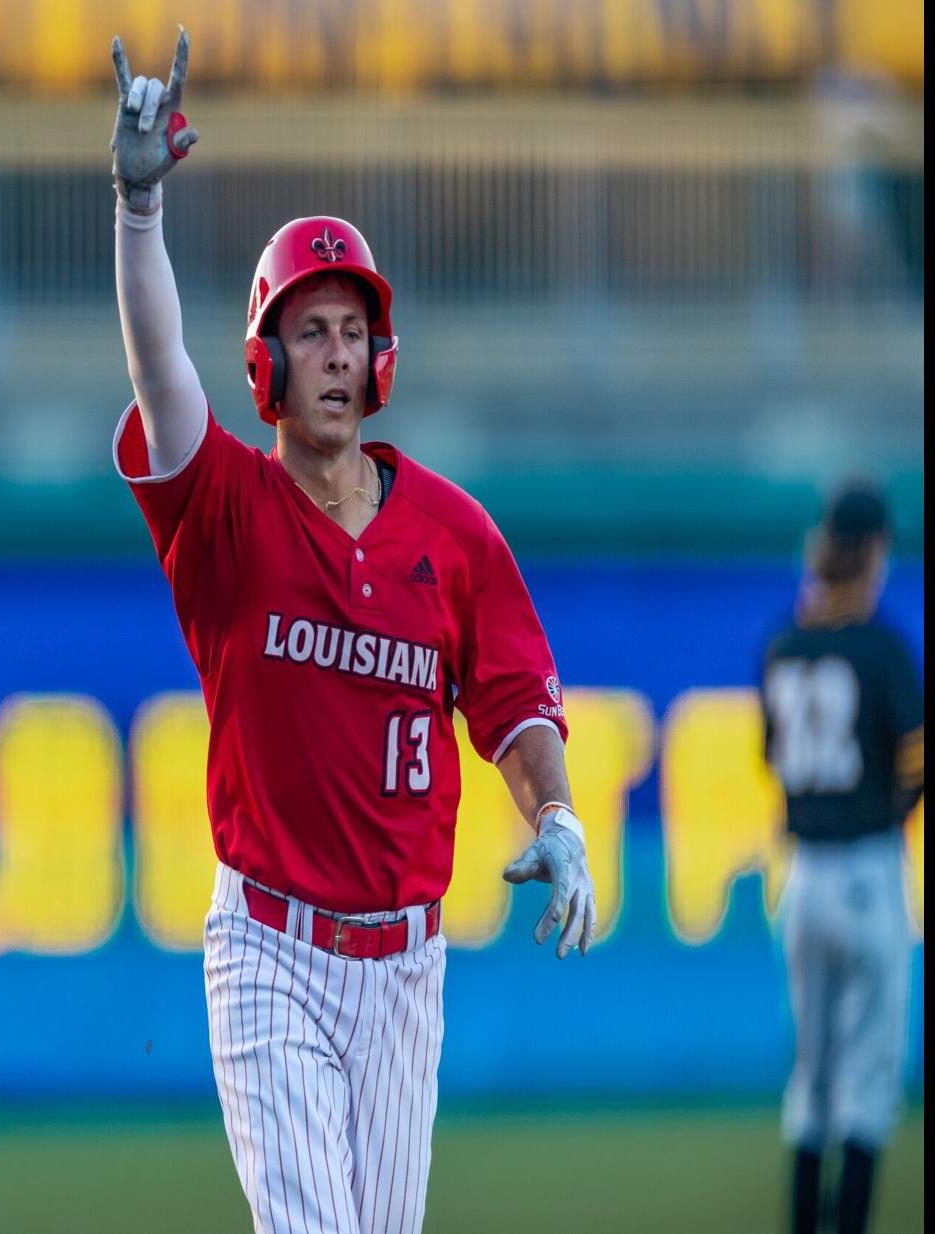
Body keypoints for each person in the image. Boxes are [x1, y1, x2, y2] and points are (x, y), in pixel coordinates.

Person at [108, 30, 596, 1234]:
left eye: (348, 330)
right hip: (269, 945)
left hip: (404, 969)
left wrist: (560, 814)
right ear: (265, 364)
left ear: (381, 359)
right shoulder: (224, 510)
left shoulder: (454, 532)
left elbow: (516, 700)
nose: (332, 353)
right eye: (307, 329)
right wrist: (136, 210)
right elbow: (161, 367)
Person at [760, 481, 924, 1234]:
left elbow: (772, 753)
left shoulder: (786, 643)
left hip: (803, 880)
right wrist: (888, 812)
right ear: (873, 550)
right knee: (865, 1089)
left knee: (812, 1087)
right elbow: (916, 760)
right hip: (866, 868)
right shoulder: (881, 645)